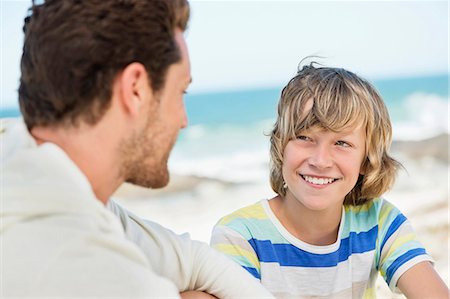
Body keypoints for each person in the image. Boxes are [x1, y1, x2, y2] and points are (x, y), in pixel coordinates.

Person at [0, 1, 274, 298]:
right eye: (180, 92)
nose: (183, 120)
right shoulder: (75, 259)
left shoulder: (28, 160)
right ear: (135, 88)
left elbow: (195, 260)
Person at [210, 63, 450, 298]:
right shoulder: (239, 236)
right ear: (281, 146)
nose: (320, 160)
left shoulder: (379, 222)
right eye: (304, 137)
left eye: (342, 143)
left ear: (366, 160)